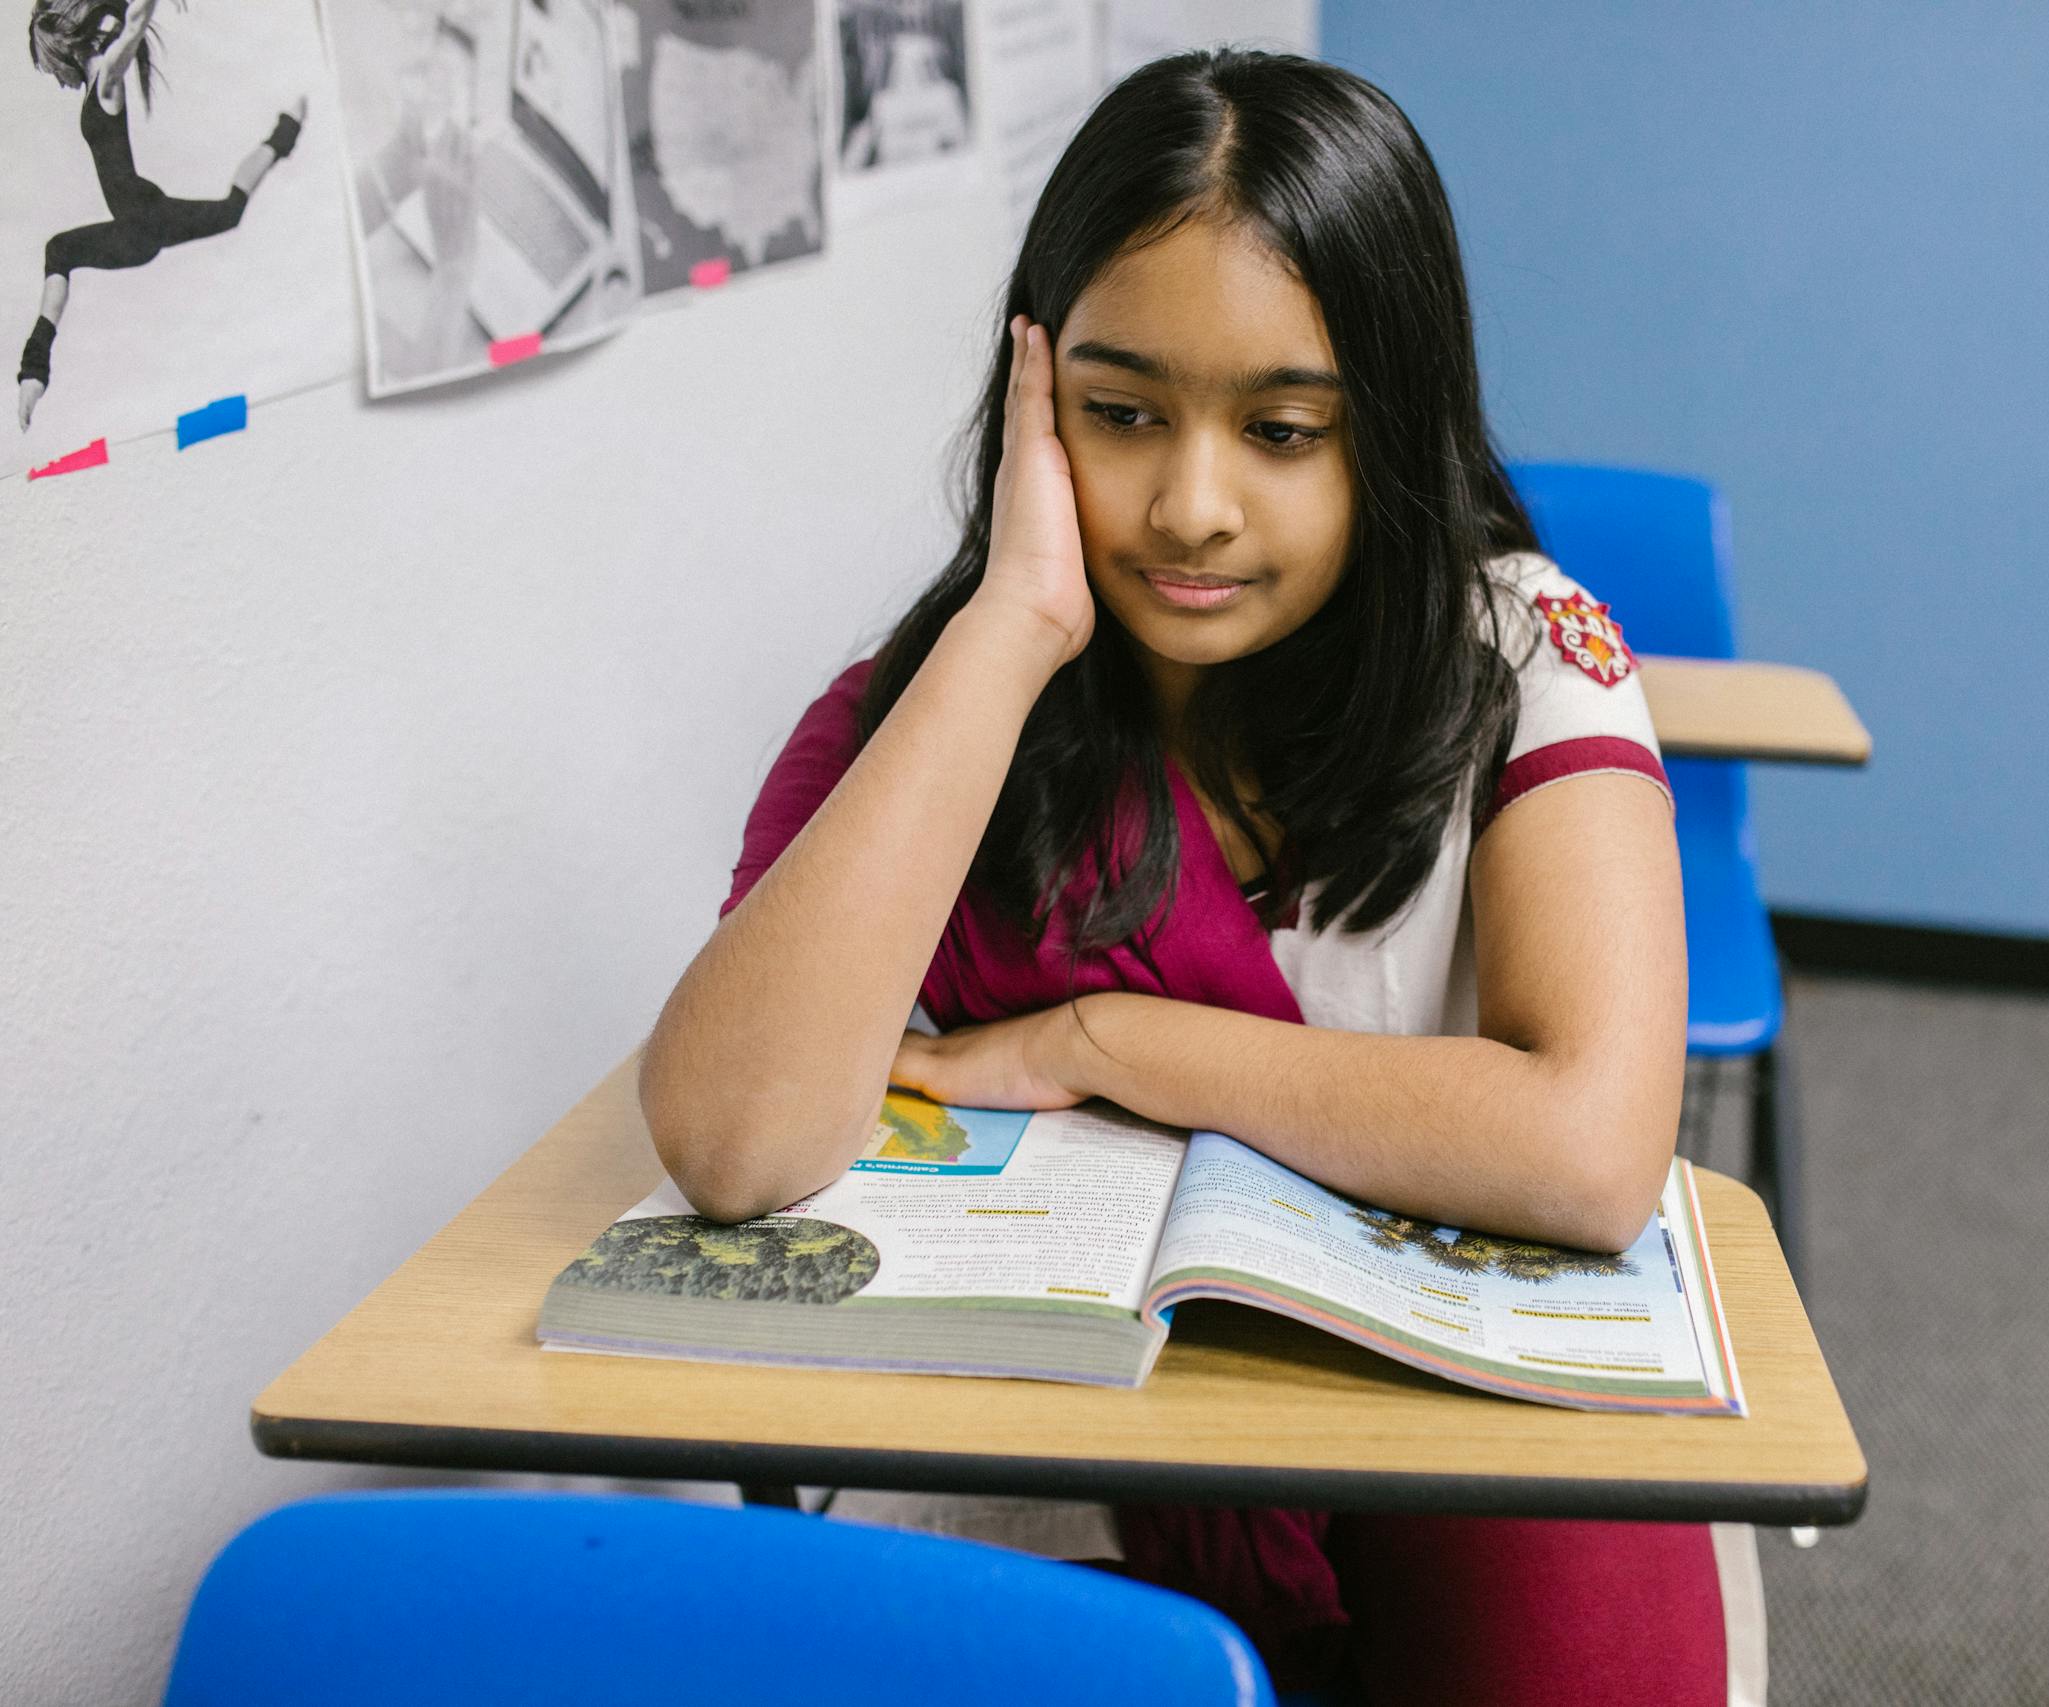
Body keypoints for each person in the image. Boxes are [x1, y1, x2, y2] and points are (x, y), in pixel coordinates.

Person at [639, 49, 1741, 1705]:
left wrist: (1105, 1043)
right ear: (1033, 395)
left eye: (1284, 428)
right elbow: (733, 1143)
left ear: (1395, 419)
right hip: (1094, 1492)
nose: (1191, 505)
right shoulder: (938, 707)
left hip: (1465, 1467)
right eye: (1121, 412)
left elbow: (1587, 1151)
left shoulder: (1529, 643)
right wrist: (1009, 633)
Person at [18, 0, 306, 429]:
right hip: (140, 221)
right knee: (228, 212)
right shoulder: (99, 85)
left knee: (61, 250)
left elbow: (135, 21)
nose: (57, 81)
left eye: (50, 68)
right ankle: (34, 372)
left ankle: (286, 130)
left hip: (143, 222)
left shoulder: (107, 82)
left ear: (64, 48)